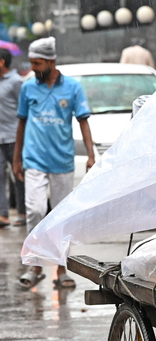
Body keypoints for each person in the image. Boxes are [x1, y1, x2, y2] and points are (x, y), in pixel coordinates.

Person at [14, 37, 95, 289]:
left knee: (61, 218)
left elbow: (83, 121)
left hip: (62, 161)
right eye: (32, 63)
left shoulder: (72, 88)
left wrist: (92, 156)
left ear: (51, 61)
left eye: (37, 63)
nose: (33, 68)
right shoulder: (28, 88)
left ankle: (61, 270)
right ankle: (34, 266)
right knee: (36, 210)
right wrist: (17, 158)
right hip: (34, 160)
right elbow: (22, 123)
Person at [0, 48, 25, 227]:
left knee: (19, 175)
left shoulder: (16, 82)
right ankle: (2, 214)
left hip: (14, 137)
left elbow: (24, 110)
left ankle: (23, 213)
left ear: (2, 62)